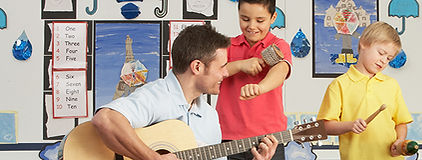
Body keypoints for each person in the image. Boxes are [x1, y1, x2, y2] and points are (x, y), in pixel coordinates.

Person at [91, 24, 278, 160]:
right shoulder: (157, 96)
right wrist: (153, 157)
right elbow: (105, 119)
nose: (226, 72)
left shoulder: (210, 117)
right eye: (221, 67)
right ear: (197, 67)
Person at [316, 21, 413, 160]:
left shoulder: (392, 85)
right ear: (364, 43)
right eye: (381, 53)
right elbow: (325, 126)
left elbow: (400, 123)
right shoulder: (339, 85)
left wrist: (400, 141)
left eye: (389, 58)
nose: (383, 61)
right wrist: (350, 126)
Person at [216, 0, 291, 159]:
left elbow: (281, 69)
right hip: (229, 136)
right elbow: (213, 72)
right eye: (245, 19)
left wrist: (259, 88)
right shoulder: (226, 46)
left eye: (260, 20)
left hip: (270, 138)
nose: (251, 26)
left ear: (273, 17)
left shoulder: (279, 45)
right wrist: (239, 65)